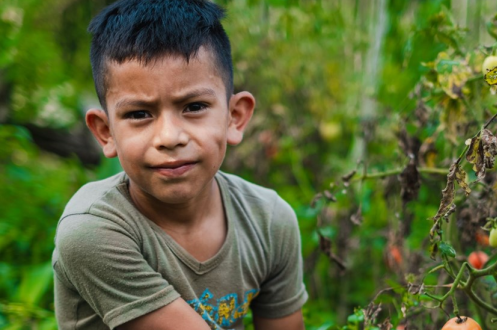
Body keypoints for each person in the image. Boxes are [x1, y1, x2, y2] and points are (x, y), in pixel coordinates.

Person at [51, 0, 307, 329]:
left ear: (235, 117)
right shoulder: (91, 231)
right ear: (106, 132)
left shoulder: (269, 220)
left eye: (194, 106)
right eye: (139, 114)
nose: (170, 137)